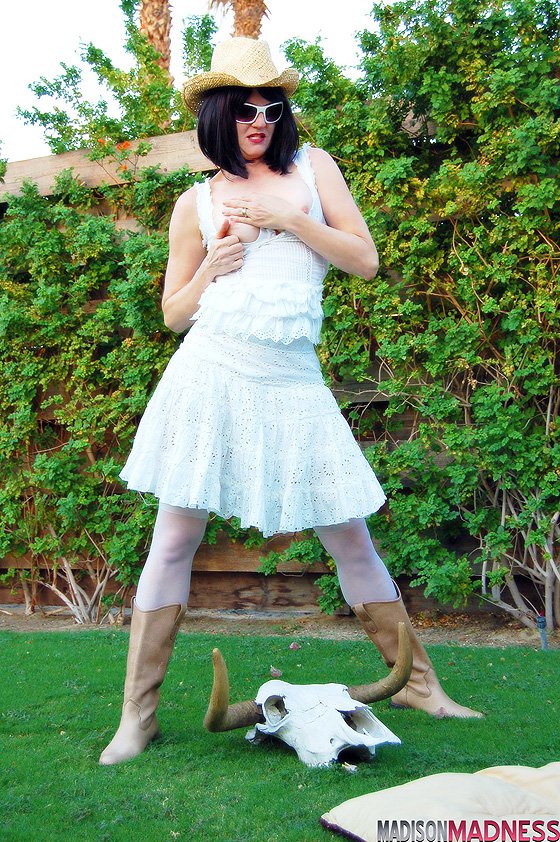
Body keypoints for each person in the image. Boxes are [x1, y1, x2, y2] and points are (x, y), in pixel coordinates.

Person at [99, 37, 482, 766]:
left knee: (351, 535)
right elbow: (173, 314)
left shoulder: (314, 169)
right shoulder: (195, 201)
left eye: (271, 107)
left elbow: (364, 260)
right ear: (217, 114)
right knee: (174, 540)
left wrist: (291, 221)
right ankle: (137, 718)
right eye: (244, 109)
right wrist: (211, 267)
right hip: (211, 374)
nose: (259, 120)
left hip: (293, 381)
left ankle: (420, 686)